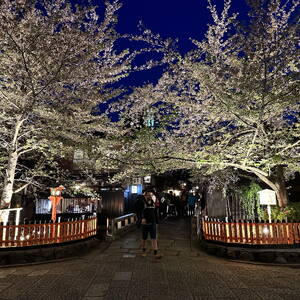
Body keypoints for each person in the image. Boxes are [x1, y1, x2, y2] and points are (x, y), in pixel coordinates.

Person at [141, 191, 162, 259]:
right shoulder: (142, 203)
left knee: (154, 238)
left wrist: (157, 222)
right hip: (145, 223)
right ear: (145, 196)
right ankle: (143, 252)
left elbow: (155, 213)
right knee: (144, 238)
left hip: (153, 223)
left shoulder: (153, 203)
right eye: (148, 195)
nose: (150, 196)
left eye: (151, 195)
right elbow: (139, 212)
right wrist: (142, 218)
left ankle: (155, 253)